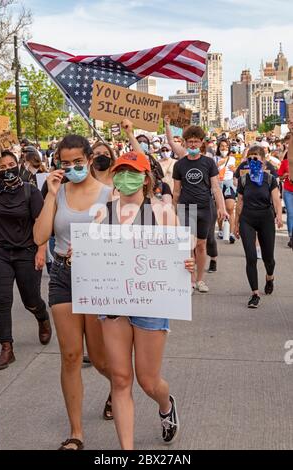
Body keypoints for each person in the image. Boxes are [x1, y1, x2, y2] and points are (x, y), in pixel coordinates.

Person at [98, 150, 194, 450]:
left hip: (152, 302)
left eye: (133, 171)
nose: (126, 177)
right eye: (121, 171)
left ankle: (165, 405)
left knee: (148, 381)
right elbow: (95, 256)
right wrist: (82, 255)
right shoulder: (103, 212)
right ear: (114, 177)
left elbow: (181, 254)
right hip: (114, 302)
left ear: (145, 178)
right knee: (120, 378)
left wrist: (186, 263)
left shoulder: (162, 212)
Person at [33, 135, 112, 450]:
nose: (71, 168)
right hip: (63, 276)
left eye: (77, 162)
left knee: (103, 360)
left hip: (97, 277)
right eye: (65, 163)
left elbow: (126, 239)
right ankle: (76, 432)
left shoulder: (109, 194)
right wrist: (52, 196)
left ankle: (118, 387)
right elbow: (40, 235)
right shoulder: (57, 192)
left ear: (90, 159)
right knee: (70, 356)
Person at [0, 150, 51, 370]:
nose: (7, 169)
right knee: (2, 300)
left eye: (11, 164)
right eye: (2, 167)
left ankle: (41, 316)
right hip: (0, 253)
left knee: (30, 299)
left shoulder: (31, 192)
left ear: (18, 164)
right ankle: (7, 347)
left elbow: (41, 223)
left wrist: (41, 251)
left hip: (27, 252)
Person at [165, 115, 227, 293]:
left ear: (201, 143)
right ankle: (190, 281)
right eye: (189, 141)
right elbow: (176, 191)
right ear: (184, 143)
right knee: (187, 246)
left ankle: (200, 280)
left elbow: (215, 187)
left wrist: (221, 208)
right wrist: (173, 211)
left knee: (201, 245)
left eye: (196, 142)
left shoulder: (208, 163)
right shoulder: (179, 165)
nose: (192, 145)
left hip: (205, 208)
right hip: (186, 208)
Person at [234, 146, 283, 308]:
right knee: (251, 257)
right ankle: (255, 294)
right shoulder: (243, 180)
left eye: (256, 158)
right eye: (250, 158)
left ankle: (270, 277)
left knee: (269, 259)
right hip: (247, 219)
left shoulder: (270, 179)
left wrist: (278, 216)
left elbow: (276, 199)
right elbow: (239, 203)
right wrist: (236, 223)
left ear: (263, 162)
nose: (253, 161)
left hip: (266, 219)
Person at [215, 139, 237, 243]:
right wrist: (218, 164)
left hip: (229, 184)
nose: (224, 148)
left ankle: (231, 233)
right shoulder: (214, 158)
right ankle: (220, 230)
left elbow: (237, 172)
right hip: (218, 184)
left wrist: (235, 171)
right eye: (222, 146)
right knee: (219, 208)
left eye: (226, 147)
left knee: (230, 207)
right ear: (218, 148)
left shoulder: (232, 158)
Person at [278, 132, 293, 248]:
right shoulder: (285, 162)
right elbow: (280, 176)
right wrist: (287, 174)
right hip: (288, 190)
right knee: (291, 213)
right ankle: (291, 235)